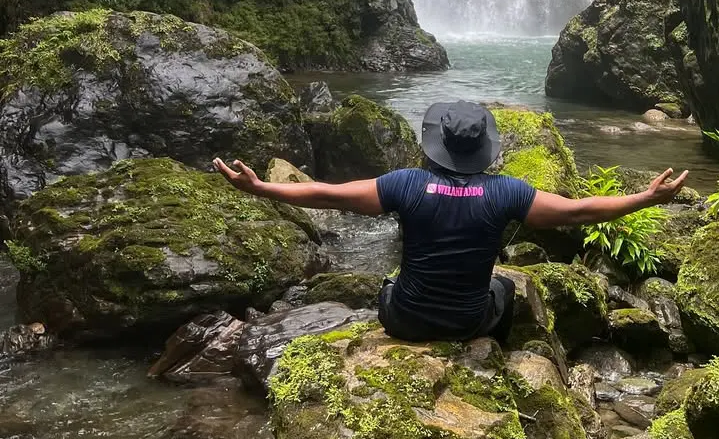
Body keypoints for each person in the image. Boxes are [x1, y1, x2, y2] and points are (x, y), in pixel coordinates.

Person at [213, 98, 688, 344]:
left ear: (436, 143)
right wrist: (646, 197)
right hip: (467, 322)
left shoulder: (405, 184)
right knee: (504, 289)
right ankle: (488, 357)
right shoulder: (507, 192)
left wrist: (261, 187)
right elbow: (579, 210)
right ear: (485, 148)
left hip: (404, 321)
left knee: (389, 285)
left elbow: (328, 195)